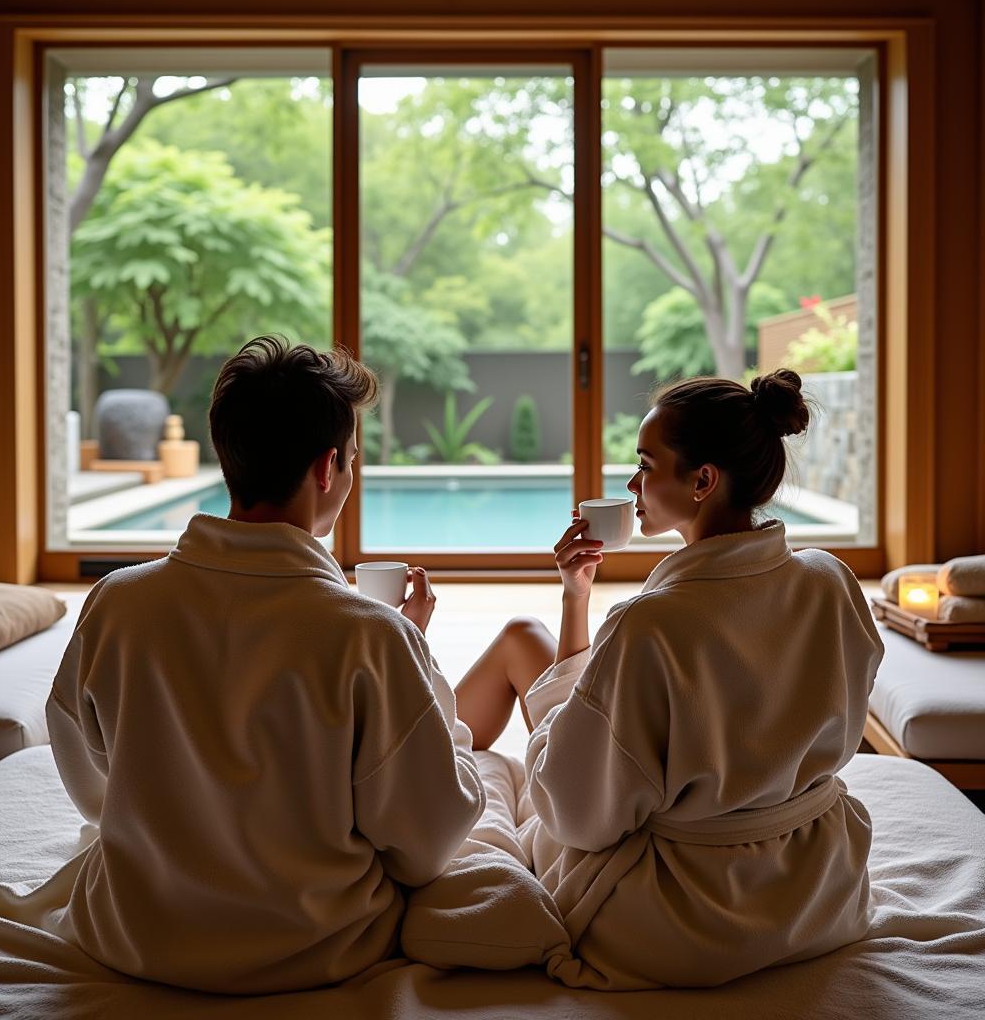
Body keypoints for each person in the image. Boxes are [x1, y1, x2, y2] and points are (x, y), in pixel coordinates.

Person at [44, 335, 485, 994]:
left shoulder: (118, 602)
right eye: (355, 459)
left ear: (228, 452)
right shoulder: (371, 636)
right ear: (328, 467)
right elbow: (426, 844)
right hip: (315, 947)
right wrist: (418, 662)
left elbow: (92, 779)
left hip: (138, 935)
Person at [454, 369, 884, 989]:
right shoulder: (829, 582)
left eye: (646, 465)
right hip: (817, 893)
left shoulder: (649, 625)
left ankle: (454, 752)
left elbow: (577, 815)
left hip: (687, 918)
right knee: (532, 644)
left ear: (703, 480)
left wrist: (551, 727)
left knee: (516, 695)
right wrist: (576, 598)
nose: (632, 485)